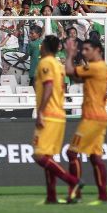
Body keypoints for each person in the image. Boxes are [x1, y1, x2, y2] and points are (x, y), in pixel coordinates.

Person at [32, 35, 82, 204]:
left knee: (39, 156)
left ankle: (72, 181)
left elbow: (48, 86)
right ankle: (51, 196)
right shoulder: (59, 65)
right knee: (49, 157)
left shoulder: (45, 63)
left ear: (44, 46)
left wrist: (40, 112)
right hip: (60, 114)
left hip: (49, 114)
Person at [63, 39, 107, 205]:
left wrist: (70, 54)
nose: (84, 52)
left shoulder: (95, 67)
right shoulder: (102, 67)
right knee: (95, 157)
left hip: (92, 117)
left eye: (87, 49)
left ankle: (75, 193)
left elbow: (69, 71)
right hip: (101, 116)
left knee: (71, 153)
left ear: (97, 50)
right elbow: (79, 79)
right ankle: (103, 196)